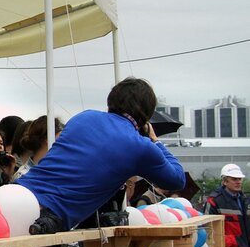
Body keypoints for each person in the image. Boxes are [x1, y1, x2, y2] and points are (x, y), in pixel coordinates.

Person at [19, 77, 185, 234]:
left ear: (111, 100)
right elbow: (177, 180)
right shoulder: (141, 146)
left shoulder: (83, 117)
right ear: (147, 116)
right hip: (44, 217)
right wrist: (155, 141)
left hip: (17, 191)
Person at [12, 116, 63, 180]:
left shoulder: (56, 171)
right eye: (60, 136)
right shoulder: (23, 176)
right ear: (48, 138)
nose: (63, 140)